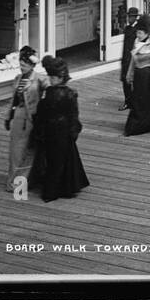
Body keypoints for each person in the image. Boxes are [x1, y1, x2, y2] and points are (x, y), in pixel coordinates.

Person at [32, 56, 89, 202]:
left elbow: (41, 114)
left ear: (59, 78)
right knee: (63, 160)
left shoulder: (49, 94)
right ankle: (66, 187)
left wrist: (38, 131)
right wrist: (74, 132)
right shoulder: (70, 93)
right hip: (63, 131)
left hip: (51, 131)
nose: (50, 79)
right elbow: (74, 115)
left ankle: (51, 191)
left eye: (53, 77)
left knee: (52, 161)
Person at [4, 45, 43, 190]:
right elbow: (13, 99)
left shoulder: (39, 80)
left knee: (30, 151)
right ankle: (14, 183)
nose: (22, 67)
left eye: (25, 64)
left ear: (32, 65)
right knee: (16, 152)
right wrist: (8, 117)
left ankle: (24, 182)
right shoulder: (17, 79)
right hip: (19, 117)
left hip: (33, 118)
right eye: (21, 63)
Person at [118, 6, 140, 110]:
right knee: (124, 80)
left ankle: (135, 101)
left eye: (131, 17)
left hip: (133, 58)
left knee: (133, 81)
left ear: (135, 18)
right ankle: (127, 101)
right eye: (128, 17)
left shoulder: (137, 30)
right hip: (125, 58)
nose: (129, 19)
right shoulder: (127, 28)